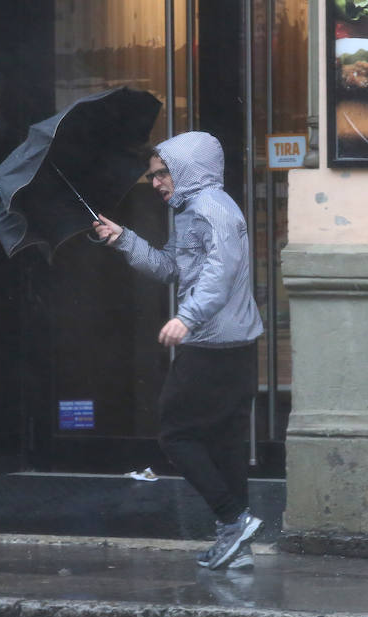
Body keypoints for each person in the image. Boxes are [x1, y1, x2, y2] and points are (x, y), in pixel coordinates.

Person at [94, 131, 264, 571]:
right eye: (153, 175)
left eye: (162, 173)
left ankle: (233, 518)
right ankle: (236, 542)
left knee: (176, 433)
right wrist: (124, 239)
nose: (156, 183)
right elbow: (172, 267)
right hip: (227, 345)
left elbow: (218, 275)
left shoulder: (212, 210)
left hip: (213, 346)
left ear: (187, 170)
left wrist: (185, 318)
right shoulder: (190, 212)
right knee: (224, 444)